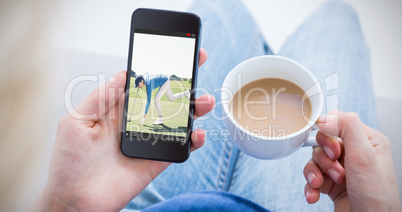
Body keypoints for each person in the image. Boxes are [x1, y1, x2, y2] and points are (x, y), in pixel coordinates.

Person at [25, 0, 400, 211]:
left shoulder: (80, 195)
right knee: (337, 16)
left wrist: (64, 204)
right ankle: (270, 53)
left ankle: (267, 54)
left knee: (221, 9)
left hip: (138, 204)